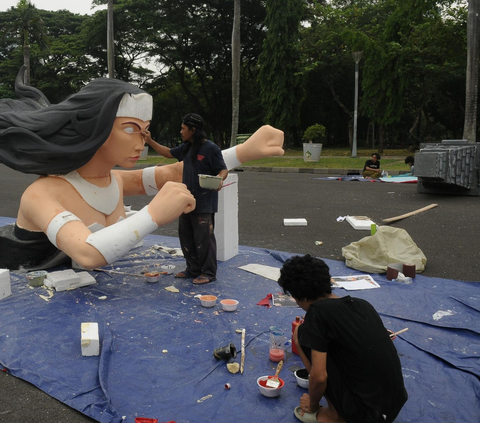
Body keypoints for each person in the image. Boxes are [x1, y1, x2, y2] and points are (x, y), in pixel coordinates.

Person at [0, 66, 284, 271]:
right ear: (95, 129)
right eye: (130, 129)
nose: (142, 141)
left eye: (145, 130)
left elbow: (178, 172)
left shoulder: (115, 180)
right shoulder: (42, 193)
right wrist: (153, 214)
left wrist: (244, 152)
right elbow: (87, 253)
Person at [277, 254, 408, 423]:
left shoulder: (318, 312)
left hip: (364, 416)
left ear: (301, 297)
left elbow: (320, 377)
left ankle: (334, 416)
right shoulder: (362, 304)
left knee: (301, 333)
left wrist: (313, 404)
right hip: (392, 406)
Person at [143, 114, 227, 284]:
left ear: (193, 129)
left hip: (204, 202)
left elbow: (222, 169)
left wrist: (219, 179)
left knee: (204, 238)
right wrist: (149, 140)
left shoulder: (211, 149)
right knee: (186, 235)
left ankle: (208, 273)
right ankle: (193, 269)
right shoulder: (187, 147)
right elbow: (167, 153)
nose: (181, 131)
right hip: (186, 201)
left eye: (183, 128)